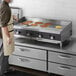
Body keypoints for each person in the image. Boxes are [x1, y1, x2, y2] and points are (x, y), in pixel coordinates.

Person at [0, 0, 18, 76]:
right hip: (6, 32)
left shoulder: (5, 4)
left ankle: (6, 68)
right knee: (5, 53)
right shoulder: (5, 7)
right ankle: (1, 72)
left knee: (6, 52)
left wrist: (12, 16)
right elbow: (3, 24)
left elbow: (3, 17)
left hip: (6, 31)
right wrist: (8, 37)